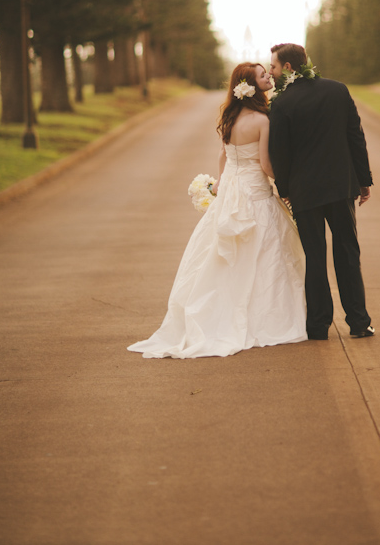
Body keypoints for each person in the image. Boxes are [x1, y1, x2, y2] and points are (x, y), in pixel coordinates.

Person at [127, 62, 307, 359]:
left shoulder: (229, 117)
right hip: (255, 191)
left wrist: (221, 184)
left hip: (232, 190)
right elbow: (264, 165)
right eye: (262, 75)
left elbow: (223, 157)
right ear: (250, 86)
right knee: (266, 251)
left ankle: (217, 314)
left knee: (224, 253)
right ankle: (262, 316)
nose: (268, 77)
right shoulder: (263, 120)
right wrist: (289, 185)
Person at [268, 43, 374, 341]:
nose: (272, 71)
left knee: (314, 257)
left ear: (288, 67)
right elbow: (355, 136)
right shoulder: (338, 90)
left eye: (273, 66)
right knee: (348, 253)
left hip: (304, 193)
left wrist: (286, 189)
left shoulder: (282, 103)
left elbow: (280, 153)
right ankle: (358, 322)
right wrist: (363, 180)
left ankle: (317, 326)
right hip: (341, 187)